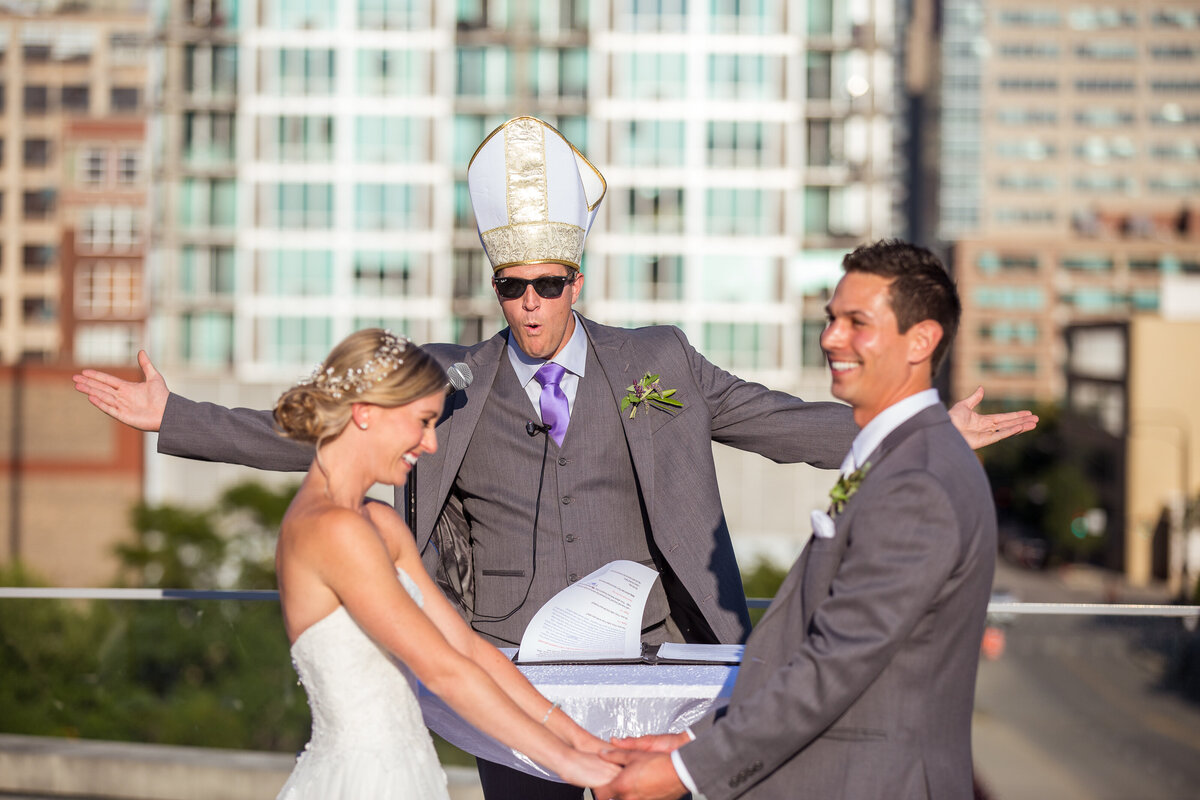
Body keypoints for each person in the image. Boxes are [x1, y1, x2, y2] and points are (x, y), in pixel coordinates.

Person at [73, 119, 1034, 800]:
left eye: (544, 284)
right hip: (507, 666)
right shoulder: (449, 376)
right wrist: (177, 417)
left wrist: (928, 422)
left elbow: (777, 422)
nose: (527, 304)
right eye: (510, 286)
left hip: (657, 664)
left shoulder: (658, 360)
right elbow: (331, 429)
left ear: (576, 279)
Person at [597, 240, 998, 800]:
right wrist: (692, 740)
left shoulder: (918, 484)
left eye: (857, 322)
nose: (831, 338)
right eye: (832, 318)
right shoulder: (902, 456)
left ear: (922, 340)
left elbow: (833, 666)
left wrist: (687, 772)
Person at [268, 328, 617, 799]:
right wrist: (575, 767)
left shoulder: (380, 522)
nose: (430, 444)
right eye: (423, 420)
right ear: (365, 413)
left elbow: (468, 650)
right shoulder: (333, 529)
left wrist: (581, 740)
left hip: (410, 772)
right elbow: (443, 671)